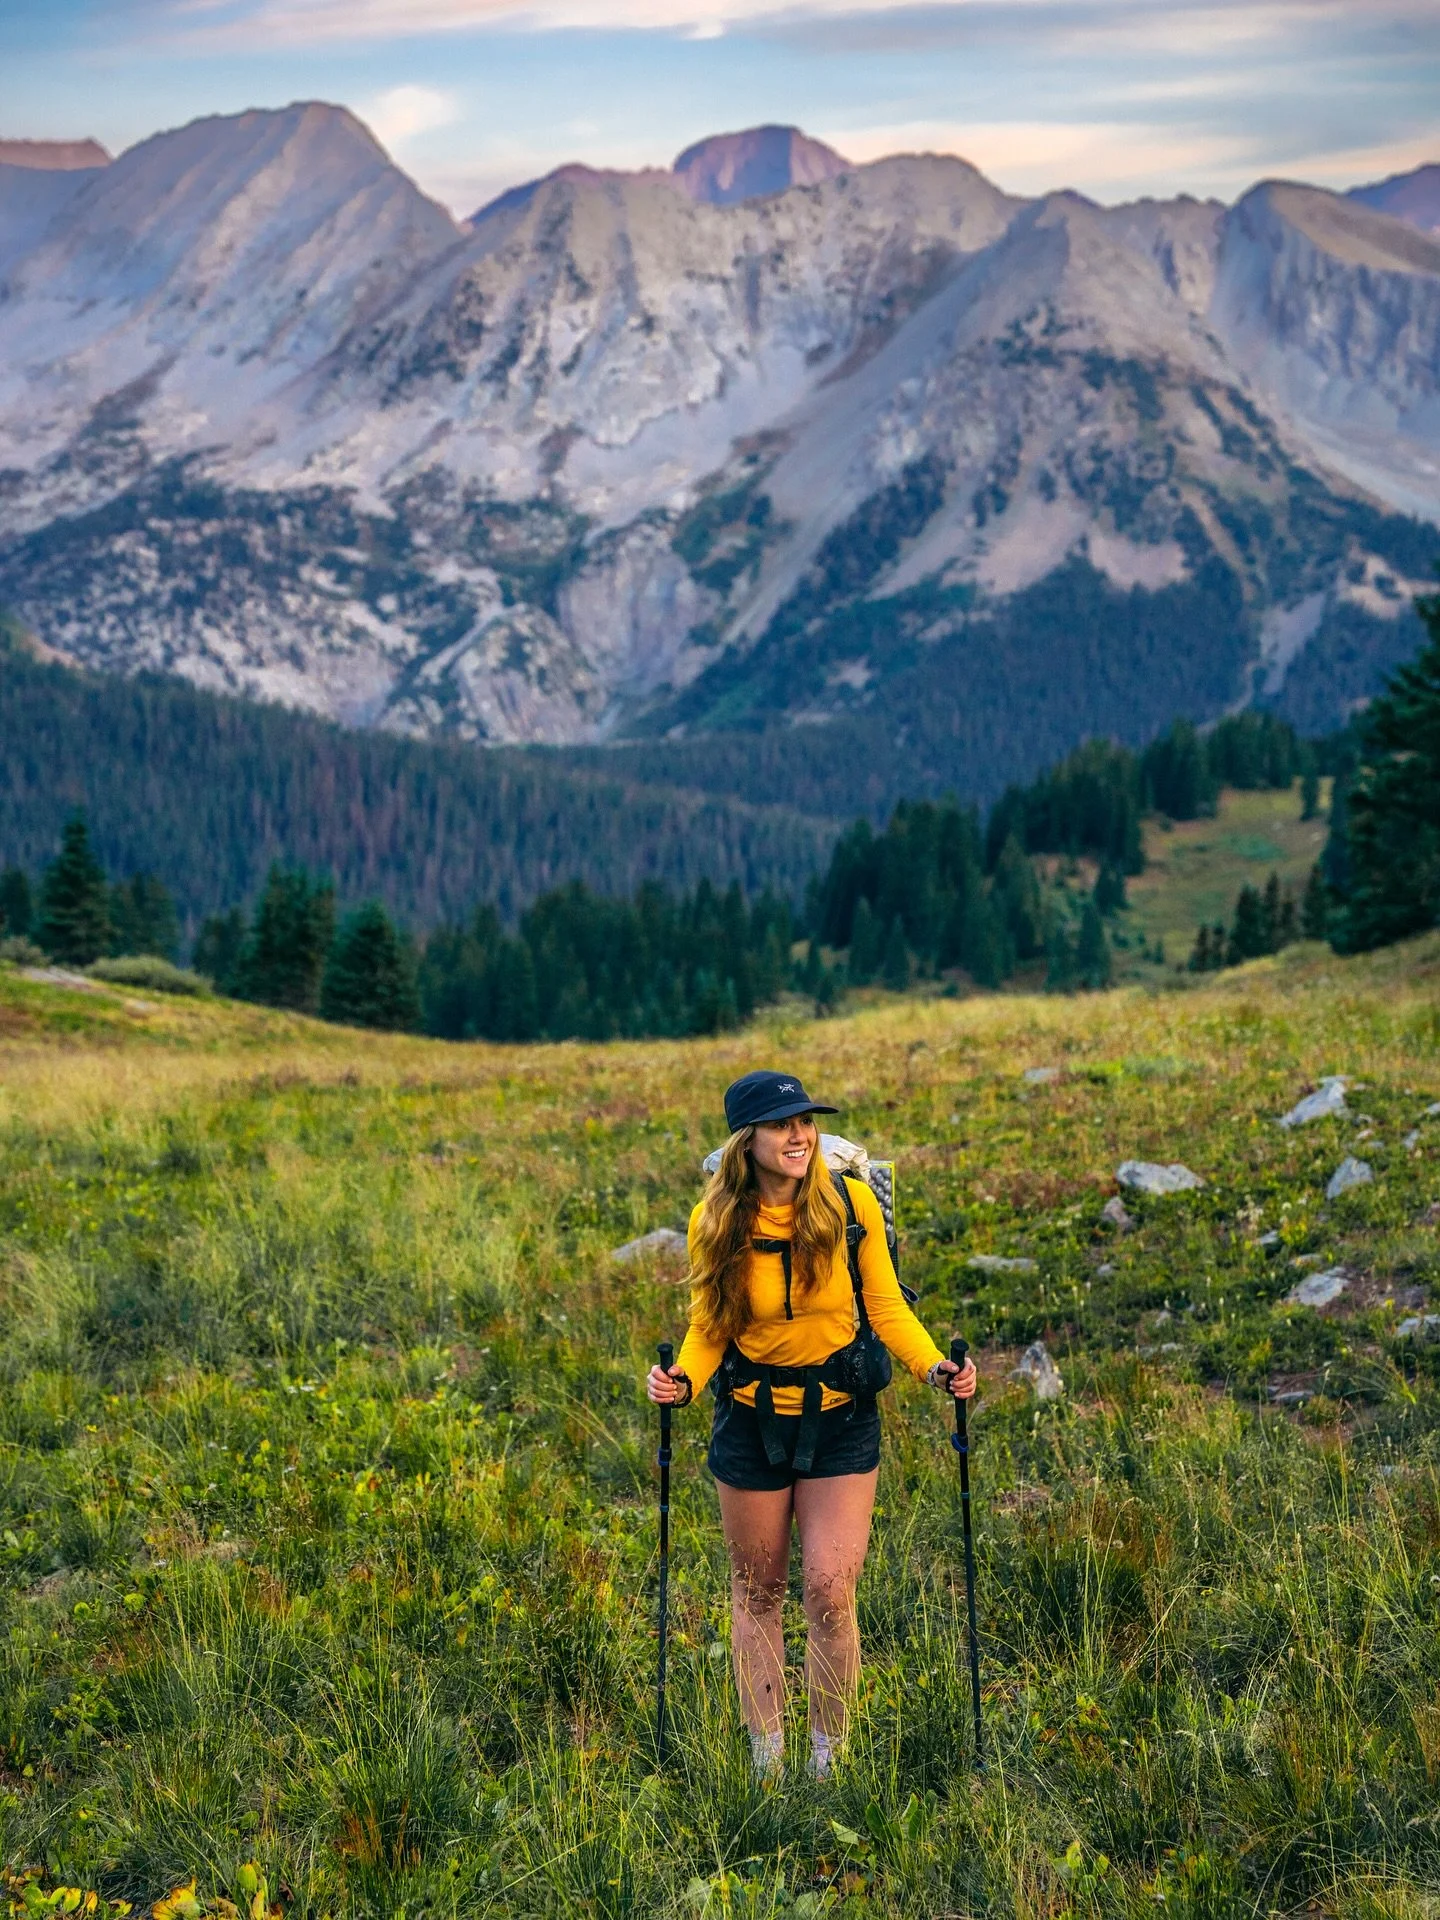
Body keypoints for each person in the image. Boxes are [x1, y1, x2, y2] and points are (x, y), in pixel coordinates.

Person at [646, 1069, 977, 1781]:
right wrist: (684, 1383)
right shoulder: (720, 1221)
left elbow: (885, 1308)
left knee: (830, 1589)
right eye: (780, 1124)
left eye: (805, 1121)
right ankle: (767, 1762)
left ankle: (828, 1762)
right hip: (751, 1425)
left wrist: (933, 1369)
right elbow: (710, 1328)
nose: (798, 1134)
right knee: (757, 1591)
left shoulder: (851, 1206)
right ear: (747, 1141)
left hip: (840, 1423)